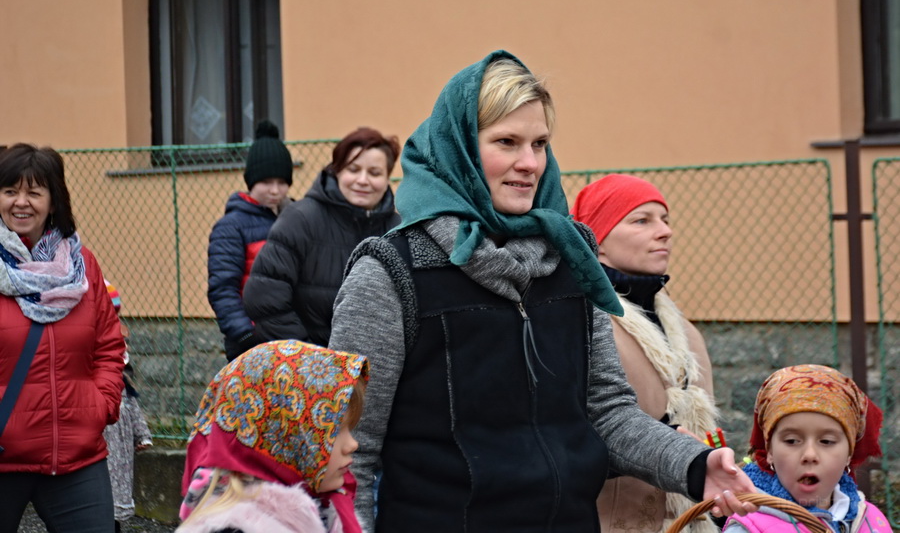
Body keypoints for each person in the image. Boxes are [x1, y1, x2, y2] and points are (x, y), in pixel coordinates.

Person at [328, 50, 756, 533]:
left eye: (540, 143)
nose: (529, 163)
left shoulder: (570, 259)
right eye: (506, 142)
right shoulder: (391, 272)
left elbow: (608, 413)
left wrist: (696, 466)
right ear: (458, 148)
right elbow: (353, 449)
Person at [572, 174, 719, 533]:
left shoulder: (686, 333)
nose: (665, 232)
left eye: (665, 220)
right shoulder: (581, 322)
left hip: (691, 520)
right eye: (642, 221)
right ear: (597, 241)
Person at [0, 143, 125, 533]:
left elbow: (109, 345)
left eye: (33, 192)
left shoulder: (82, 265)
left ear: (53, 201)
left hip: (75, 456)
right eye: (9, 191)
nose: (21, 202)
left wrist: (100, 405)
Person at [176, 339, 368, 533]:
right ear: (283, 436)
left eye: (349, 429)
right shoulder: (234, 528)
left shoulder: (328, 512)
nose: (352, 444)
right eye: (335, 432)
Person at [243, 127, 400, 346]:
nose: (363, 180)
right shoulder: (300, 220)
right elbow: (264, 297)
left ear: (387, 178)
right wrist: (309, 357)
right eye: (353, 169)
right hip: (310, 362)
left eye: (374, 173)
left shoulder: (398, 230)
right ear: (337, 171)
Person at [724, 364, 891, 532]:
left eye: (826, 441)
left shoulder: (872, 522)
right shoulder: (748, 526)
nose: (810, 455)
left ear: (849, 453)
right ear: (770, 451)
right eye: (792, 441)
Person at [207, 120, 293, 361]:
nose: (275, 190)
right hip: (250, 343)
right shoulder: (230, 227)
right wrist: (245, 334)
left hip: (291, 339)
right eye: (266, 182)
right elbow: (223, 288)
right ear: (252, 181)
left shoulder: (296, 220)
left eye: (282, 182)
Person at [102, 280, 154, 533]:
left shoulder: (119, 352)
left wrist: (141, 433)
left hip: (119, 439)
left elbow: (129, 396)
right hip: (97, 433)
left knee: (116, 489)